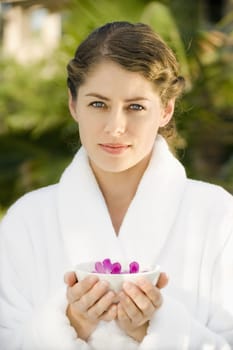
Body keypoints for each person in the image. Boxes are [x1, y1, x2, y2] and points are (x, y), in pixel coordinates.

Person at [0, 21, 232, 350]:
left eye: (135, 107)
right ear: (73, 104)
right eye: (98, 104)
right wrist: (73, 321)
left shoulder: (218, 215)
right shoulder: (25, 221)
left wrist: (156, 327)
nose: (115, 127)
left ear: (165, 109)